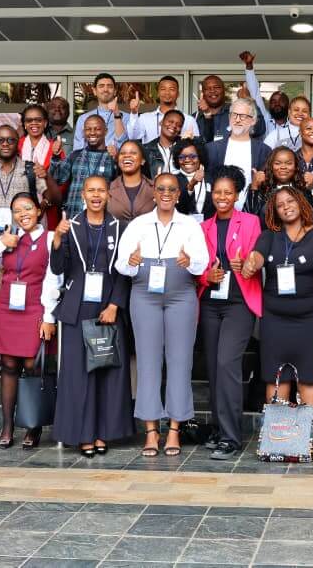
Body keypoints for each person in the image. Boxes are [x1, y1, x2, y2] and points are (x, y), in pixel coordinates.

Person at [115, 173, 209, 457]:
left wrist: (189, 261)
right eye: (161, 189)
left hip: (181, 296)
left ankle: (175, 431)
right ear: (153, 193)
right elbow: (121, 264)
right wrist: (131, 262)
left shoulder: (190, 224)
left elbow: (202, 263)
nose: (166, 193)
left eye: (172, 189)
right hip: (145, 296)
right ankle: (151, 432)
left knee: (180, 362)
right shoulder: (139, 224)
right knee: (147, 363)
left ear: (179, 194)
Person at [50, 176, 134, 457]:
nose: (96, 195)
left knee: (106, 373)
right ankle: (82, 435)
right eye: (91, 190)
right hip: (77, 309)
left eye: (101, 190)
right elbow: (58, 267)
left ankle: (103, 433)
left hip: (107, 310)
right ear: (83, 194)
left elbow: (123, 272)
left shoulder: (120, 228)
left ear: (108, 195)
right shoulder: (70, 227)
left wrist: (115, 305)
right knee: (78, 376)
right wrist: (58, 239)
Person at [240, 187, 313, 433]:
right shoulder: (269, 236)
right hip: (275, 318)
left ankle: (306, 432)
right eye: (280, 205)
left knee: (309, 375)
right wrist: (251, 264)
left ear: (301, 203)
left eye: (290, 201)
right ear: (275, 211)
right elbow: (257, 257)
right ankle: (279, 431)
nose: (286, 207)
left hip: (310, 318)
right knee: (275, 374)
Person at [0, 192, 62, 450]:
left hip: (35, 307)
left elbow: (54, 279)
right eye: (17, 210)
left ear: (38, 211)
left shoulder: (50, 239)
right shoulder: (9, 238)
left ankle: (32, 425)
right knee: (9, 366)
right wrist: (1, 243)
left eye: (28, 208)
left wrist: (49, 317)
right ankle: (7, 425)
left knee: (32, 365)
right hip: (7, 308)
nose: (22, 214)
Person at [196, 166, 263, 460]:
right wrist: (205, 278)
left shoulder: (250, 222)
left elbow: (256, 257)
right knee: (213, 367)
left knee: (226, 364)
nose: (222, 197)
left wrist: (247, 263)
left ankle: (231, 437)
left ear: (237, 195)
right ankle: (220, 429)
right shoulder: (203, 227)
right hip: (210, 302)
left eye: (228, 192)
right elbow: (197, 265)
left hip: (239, 302)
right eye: (218, 192)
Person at [46, 115, 121, 219]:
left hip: (102, 219)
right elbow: (56, 179)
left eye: (97, 129)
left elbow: (120, 186)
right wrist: (55, 156)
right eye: (88, 129)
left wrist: (117, 160)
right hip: (74, 216)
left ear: (106, 131)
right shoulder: (75, 155)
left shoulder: (112, 157)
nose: (92, 132)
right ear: (83, 132)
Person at [204, 97, 271, 210]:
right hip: (217, 214)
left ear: (253, 121)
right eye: (234, 115)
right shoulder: (212, 149)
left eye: (243, 116)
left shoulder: (264, 151)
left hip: (251, 213)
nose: (237, 119)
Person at [245, 146, 313, 226]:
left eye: (289, 163)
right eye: (277, 163)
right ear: (271, 166)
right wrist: (254, 187)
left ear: (295, 166)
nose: (283, 167)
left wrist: (310, 189)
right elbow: (248, 222)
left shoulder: (303, 188)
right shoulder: (263, 189)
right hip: (270, 237)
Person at [128, 75, 199, 143]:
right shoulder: (145, 118)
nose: (167, 92)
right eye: (163, 89)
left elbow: (196, 147)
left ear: (178, 94)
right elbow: (133, 136)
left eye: (171, 89)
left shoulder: (189, 120)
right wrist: (134, 113)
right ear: (158, 93)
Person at [196, 74, 266, 142]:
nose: (212, 91)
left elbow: (260, 129)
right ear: (203, 93)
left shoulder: (237, 112)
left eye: (217, 87)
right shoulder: (196, 118)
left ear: (224, 90)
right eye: (208, 88)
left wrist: (248, 101)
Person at [73, 73, 130, 151]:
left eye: (109, 86)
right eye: (101, 86)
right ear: (94, 91)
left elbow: (126, 147)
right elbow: (78, 150)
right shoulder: (83, 119)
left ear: (115, 91)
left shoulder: (127, 118)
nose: (105, 89)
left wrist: (117, 115)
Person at [109, 140, 156, 224]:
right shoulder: (108, 188)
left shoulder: (155, 188)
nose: (127, 155)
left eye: (133, 153)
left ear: (143, 160)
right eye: (122, 153)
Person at [175, 138, 214, 221]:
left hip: (208, 228)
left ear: (200, 157)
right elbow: (178, 207)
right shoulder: (173, 180)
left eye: (192, 156)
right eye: (182, 157)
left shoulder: (211, 179)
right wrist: (192, 184)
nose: (187, 160)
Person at [144, 109, 188, 176]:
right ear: (161, 122)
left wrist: (191, 139)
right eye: (170, 121)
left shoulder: (185, 147)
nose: (174, 126)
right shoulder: (147, 149)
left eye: (179, 125)